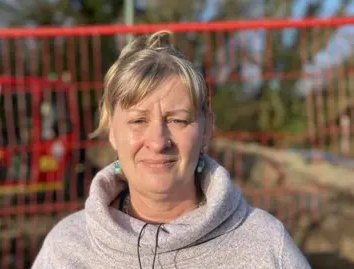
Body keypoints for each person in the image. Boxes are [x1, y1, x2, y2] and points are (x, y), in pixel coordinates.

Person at [31, 30, 312, 269]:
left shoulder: (266, 246)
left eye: (177, 120)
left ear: (206, 129)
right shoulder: (65, 250)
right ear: (112, 132)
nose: (157, 141)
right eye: (138, 120)